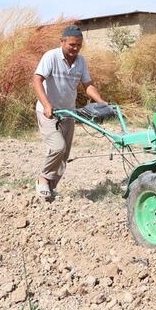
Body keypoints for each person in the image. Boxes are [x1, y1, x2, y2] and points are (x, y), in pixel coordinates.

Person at [32, 24, 106, 201]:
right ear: (62, 41)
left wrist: (103, 103)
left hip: (69, 113)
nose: (75, 49)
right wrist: (47, 105)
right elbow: (37, 80)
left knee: (64, 156)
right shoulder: (51, 56)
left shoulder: (81, 61)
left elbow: (87, 86)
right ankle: (42, 178)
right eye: (72, 45)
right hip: (48, 111)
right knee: (58, 147)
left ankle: (50, 188)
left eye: (79, 45)